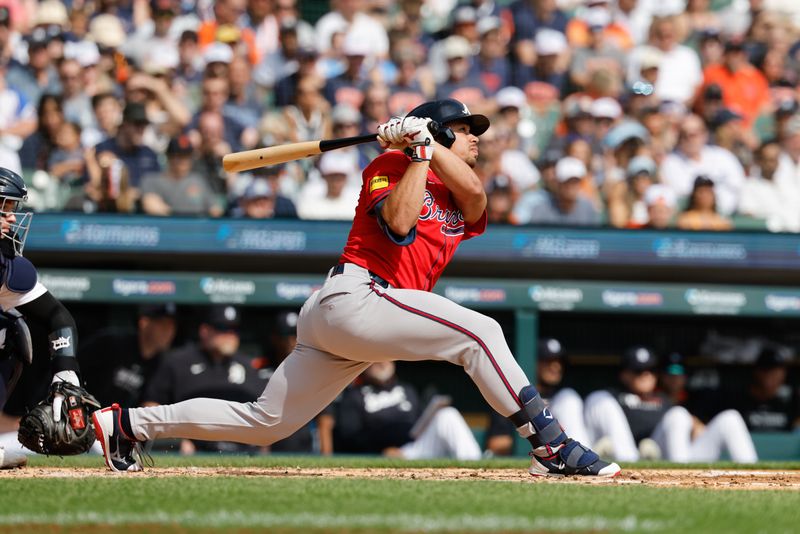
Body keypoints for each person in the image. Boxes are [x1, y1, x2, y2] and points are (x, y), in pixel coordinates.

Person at [93, 98, 619, 478]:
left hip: (366, 315)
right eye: (463, 127)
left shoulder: (462, 194)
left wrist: (427, 145)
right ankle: (549, 444)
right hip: (355, 297)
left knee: (265, 422)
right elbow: (398, 224)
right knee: (479, 332)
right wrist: (413, 153)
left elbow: (476, 190)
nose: (476, 136)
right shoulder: (388, 163)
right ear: (439, 131)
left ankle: (129, 424)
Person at [0, 168, 94, 468]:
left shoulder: (6, 266)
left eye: (12, 208)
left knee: (12, 330)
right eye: (4, 208)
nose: (12, 218)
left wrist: (65, 371)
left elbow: (57, 316)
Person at [583, 346, 757, 463]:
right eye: (638, 370)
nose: (646, 375)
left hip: (665, 455)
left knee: (729, 418)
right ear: (624, 374)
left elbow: (687, 425)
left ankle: (753, 478)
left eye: (650, 370)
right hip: (628, 454)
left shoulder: (664, 399)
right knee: (599, 398)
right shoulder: (614, 397)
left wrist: (694, 424)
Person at [140, 305, 267, 455]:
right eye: (222, 328)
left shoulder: (248, 366)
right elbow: (151, 406)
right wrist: (174, 441)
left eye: (233, 330)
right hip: (193, 449)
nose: (230, 335)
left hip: (242, 449)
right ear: (205, 331)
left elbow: (262, 414)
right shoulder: (178, 362)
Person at [333, 360, 482, 460]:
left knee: (448, 414)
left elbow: (419, 422)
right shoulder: (354, 395)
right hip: (385, 453)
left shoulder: (406, 389)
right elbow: (350, 435)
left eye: (387, 357)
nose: (382, 362)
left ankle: (475, 466)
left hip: (415, 447)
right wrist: (380, 451)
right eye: (376, 358)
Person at [485, 338, 591, 456]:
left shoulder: (564, 399)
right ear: (533, 362)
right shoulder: (513, 396)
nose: (556, 367)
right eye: (548, 361)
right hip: (531, 459)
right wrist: (539, 440)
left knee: (569, 397)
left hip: (569, 450)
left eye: (559, 361)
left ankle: (581, 455)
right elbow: (495, 444)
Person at [78, 303, 178, 408]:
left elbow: (150, 402)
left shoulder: (162, 364)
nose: (169, 332)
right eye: (163, 325)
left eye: (172, 326)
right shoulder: (110, 343)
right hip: (82, 412)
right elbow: (74, 366)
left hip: (118, 422)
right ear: (144, 322)